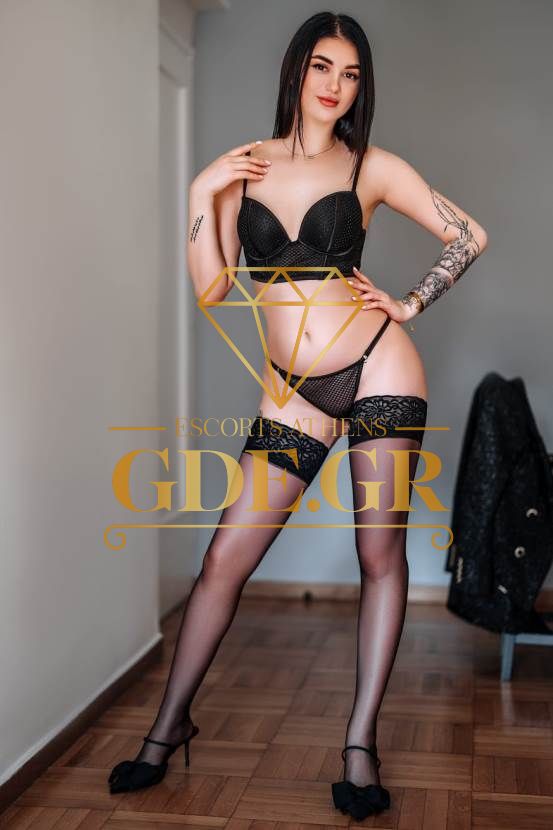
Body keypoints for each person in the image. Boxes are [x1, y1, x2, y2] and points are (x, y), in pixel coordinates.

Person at [108, 10, 488, 821]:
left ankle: (359, 745)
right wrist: (200, 191)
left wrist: (410, 303)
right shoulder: (242, 168)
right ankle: (167, 728)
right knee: (223, 560)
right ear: (296, 70)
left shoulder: (371, 166)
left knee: (376, 553)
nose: (334, 86)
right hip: (289, 391)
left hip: (379, 367)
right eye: (322, 67)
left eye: (350, 74)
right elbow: (212, 287)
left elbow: (467, 235)